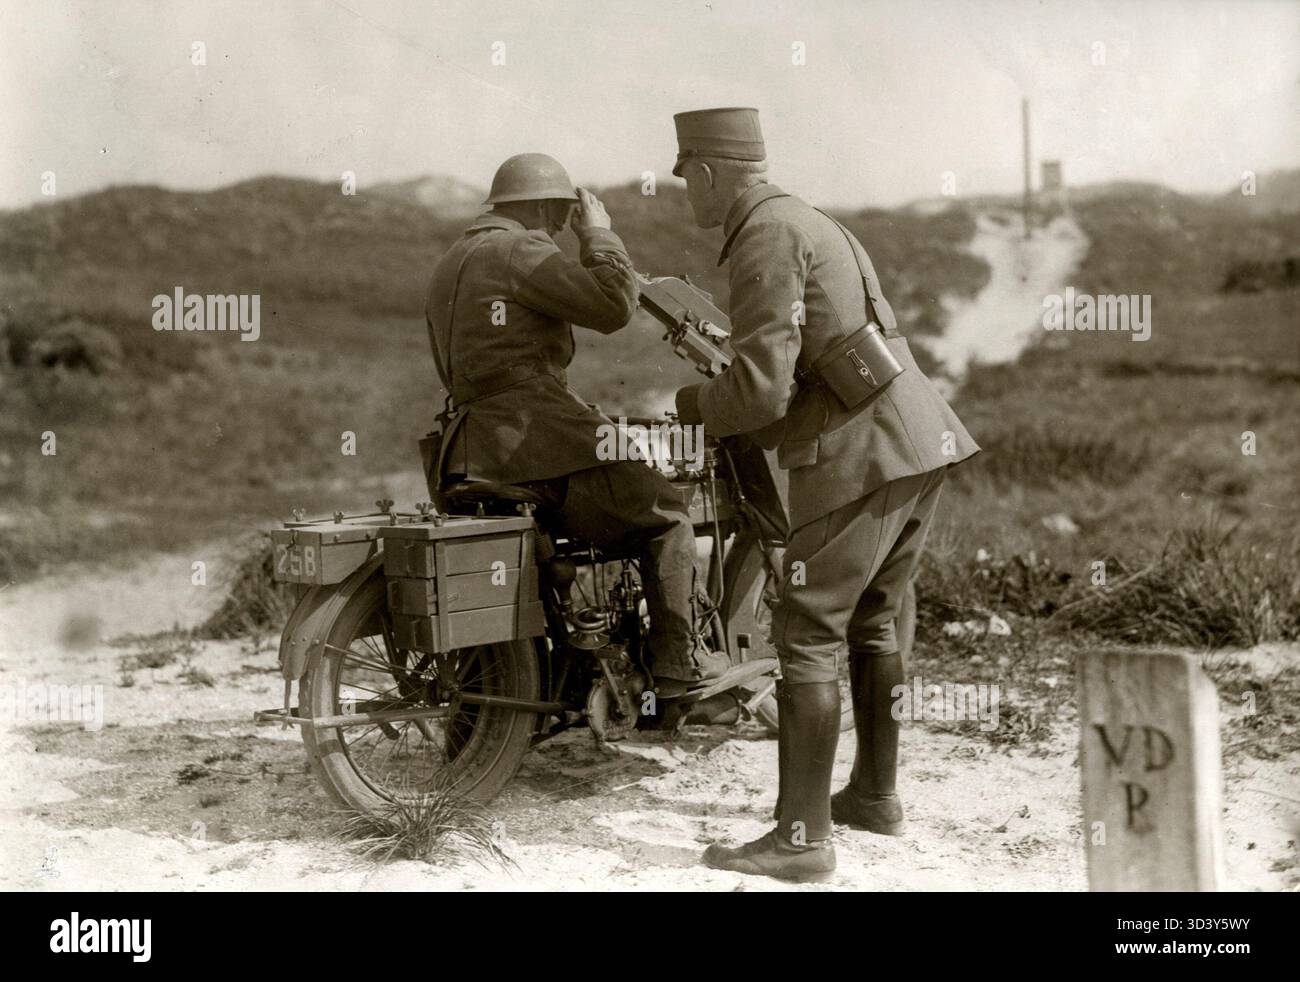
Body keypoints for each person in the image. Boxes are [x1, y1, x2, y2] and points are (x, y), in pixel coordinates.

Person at [668, 109, 980, 881]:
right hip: (916, 439)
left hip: (860, 453)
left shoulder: (766, 237)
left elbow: (765, 391)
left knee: (806, 630)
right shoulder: (809, 219)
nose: (685, 194)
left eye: (686, 177)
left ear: (709, 172)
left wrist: (691, 404)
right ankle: (873, 796)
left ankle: (801, 842)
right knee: (873, 620)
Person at [424, 152, 727, 697]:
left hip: (466, 446)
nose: (565, 227)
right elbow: (612, 306)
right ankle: (677, 669)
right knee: (665, 517)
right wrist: (601, 237)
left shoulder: (454, 258)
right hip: (531, 438)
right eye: (563, 215)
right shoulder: (519, 249)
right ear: (542, 205)